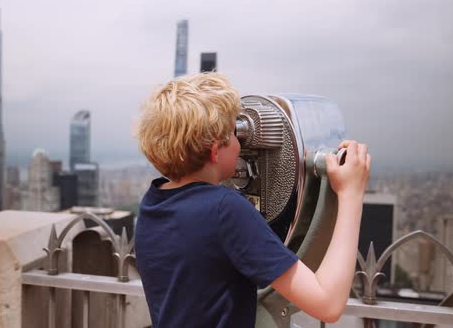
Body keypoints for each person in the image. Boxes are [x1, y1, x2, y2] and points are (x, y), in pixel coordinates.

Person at [135, 72, 371, 328]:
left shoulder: (152, 204)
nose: (242, 143)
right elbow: (328, 304)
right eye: (234, 134)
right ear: (216, 151)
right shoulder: (224, 210)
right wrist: (351, 194)